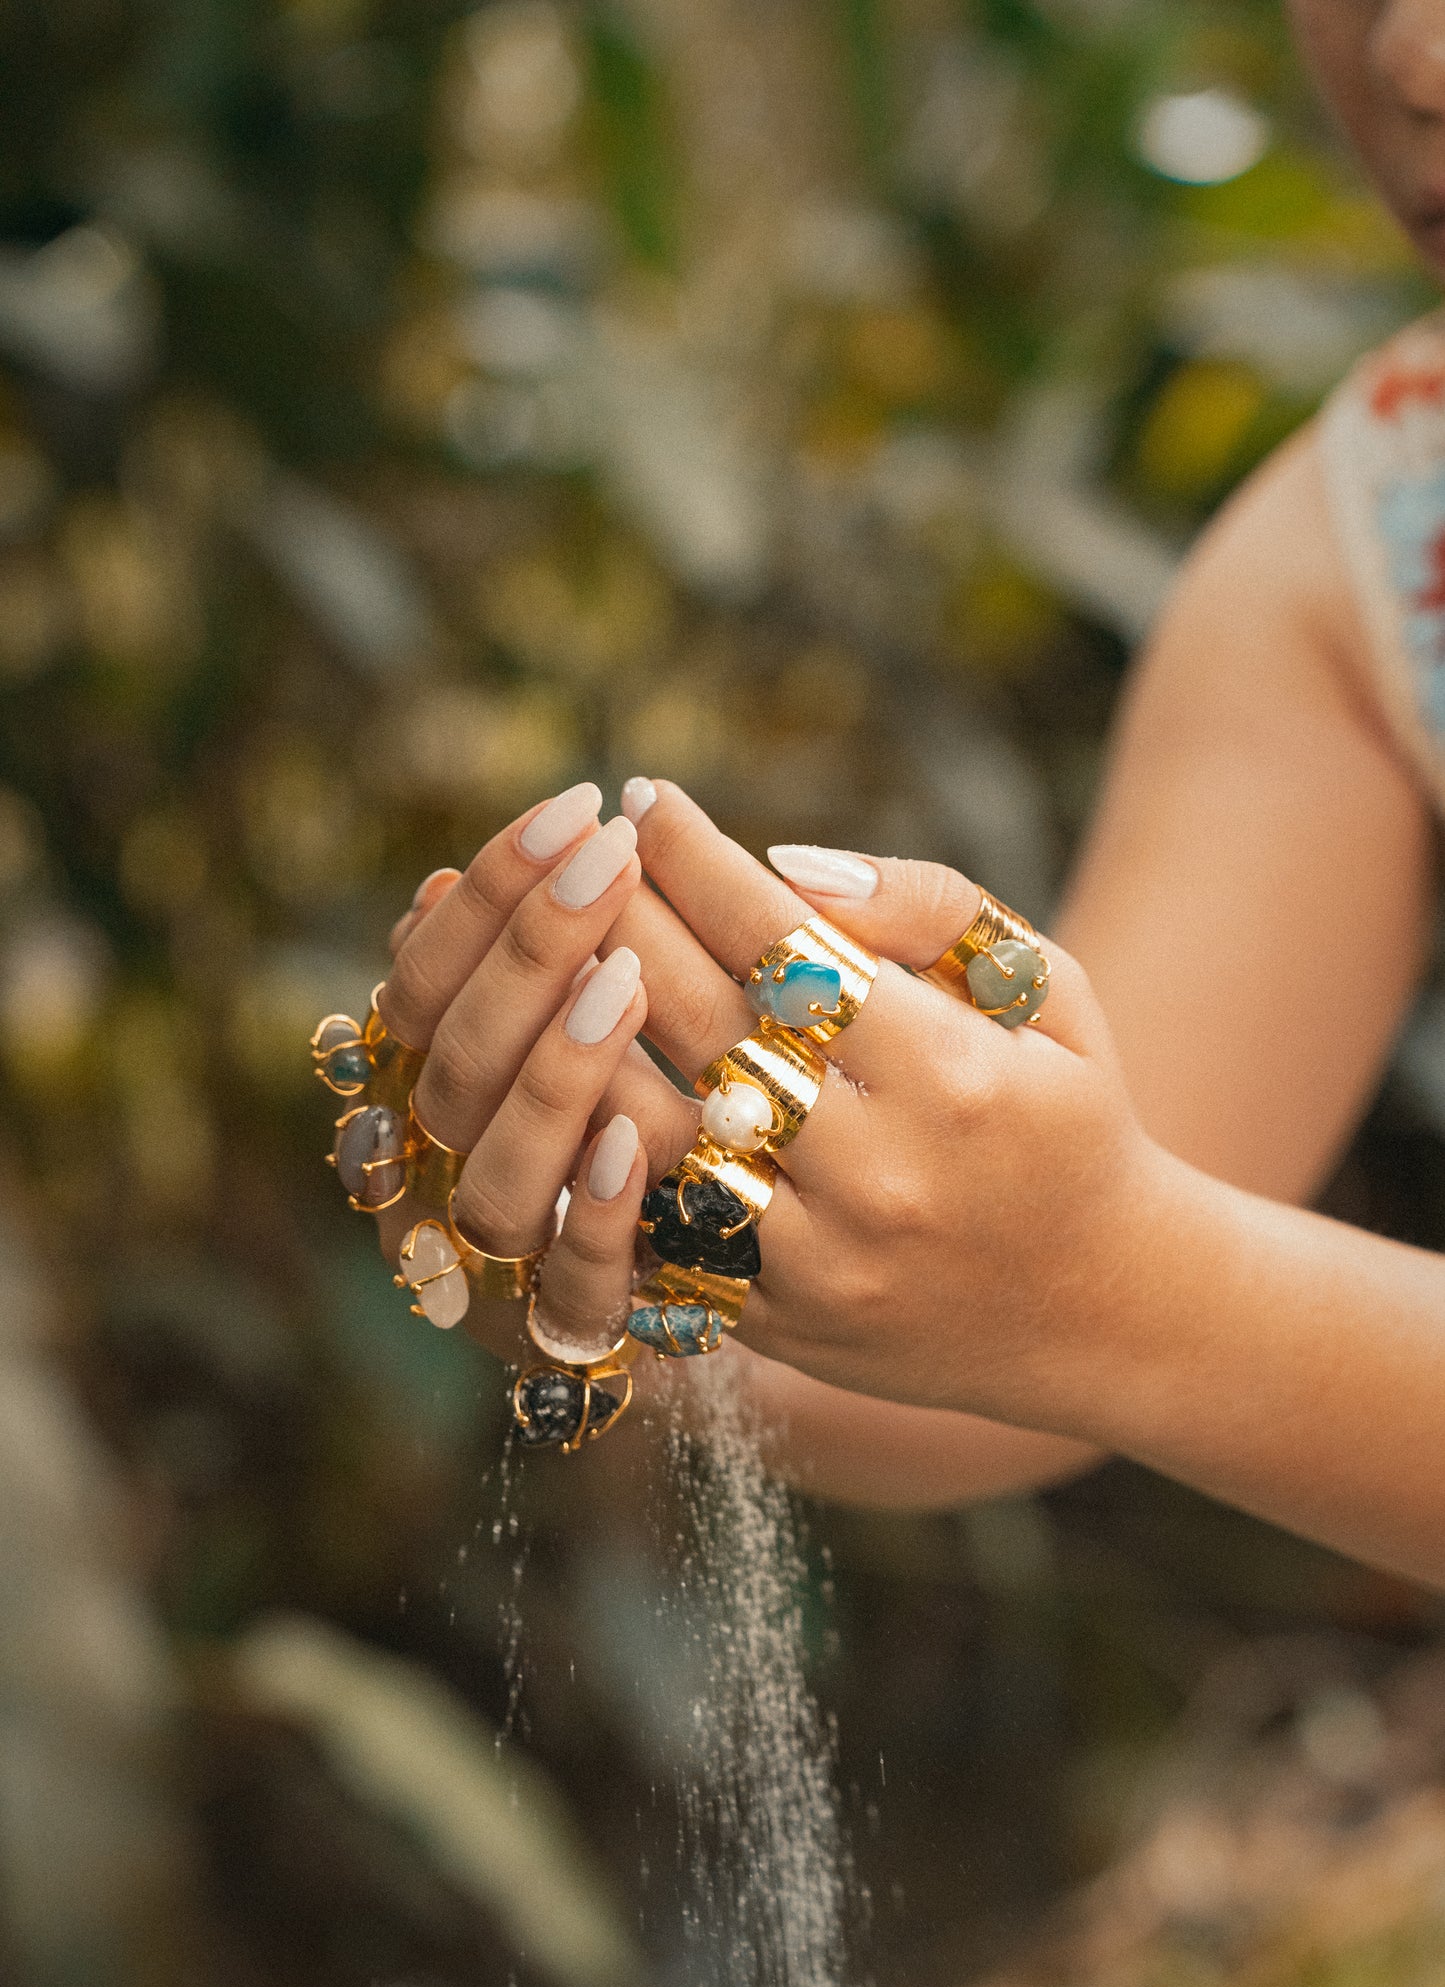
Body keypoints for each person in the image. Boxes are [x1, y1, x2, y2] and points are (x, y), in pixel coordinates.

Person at [365, 0, 1445, 1587]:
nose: (1411, 55)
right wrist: (548, 1211)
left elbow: (1142, 1291)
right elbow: (978, 1355)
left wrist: (1137, 1289)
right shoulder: (1369, 560)